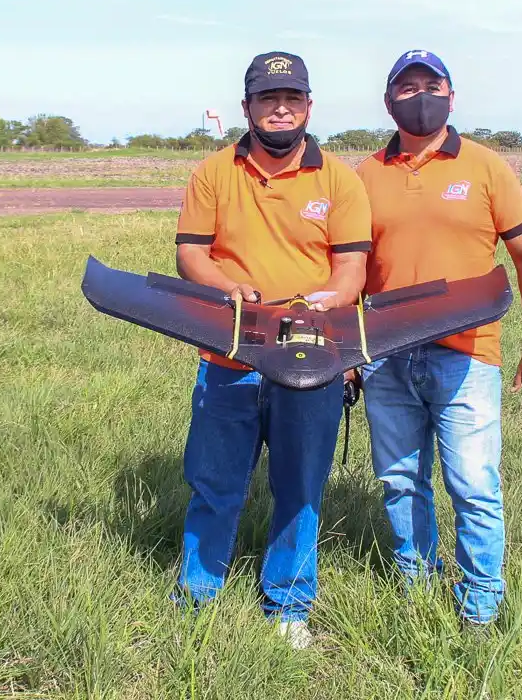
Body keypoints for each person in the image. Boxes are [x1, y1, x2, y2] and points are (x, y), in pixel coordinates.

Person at [171, 51, 372, 648]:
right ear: (247, 106)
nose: (280, 109)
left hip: (309, 361)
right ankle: (197, 597)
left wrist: (329, 300)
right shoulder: (213, 173)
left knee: (300, 486)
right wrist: (227, 287)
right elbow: (190, 254)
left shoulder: (339, 179)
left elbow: (352, 268)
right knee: (214, 482)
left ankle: (288, 604)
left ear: (309, 106)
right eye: (267, 98)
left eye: (291, 98)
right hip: (228, 355)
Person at [354, 49, 522, 627]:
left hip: (467, 353)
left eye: (431, 85)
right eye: (407, 87)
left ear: (451, 95)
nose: (420, 97)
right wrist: (347, 351)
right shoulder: (365, 175)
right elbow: (351, 267)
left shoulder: (487, 168)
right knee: (399, 480)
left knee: (473, 483)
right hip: (385, 353)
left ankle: (481, 601)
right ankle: (416, 584)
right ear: (388, 101)